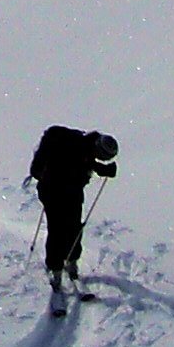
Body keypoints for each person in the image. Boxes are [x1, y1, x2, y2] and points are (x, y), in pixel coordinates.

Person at [27, 125, 118, 301]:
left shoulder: (87, 145)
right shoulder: (71, 147)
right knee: (57, 230)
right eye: (101, 157)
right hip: (52, 191)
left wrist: (102, 169)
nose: (99, 159)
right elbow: (68, 167)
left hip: (72, 193)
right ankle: (56, 270)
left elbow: (86, 161)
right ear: (98, 148)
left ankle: (71, 261)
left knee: (75, 228)